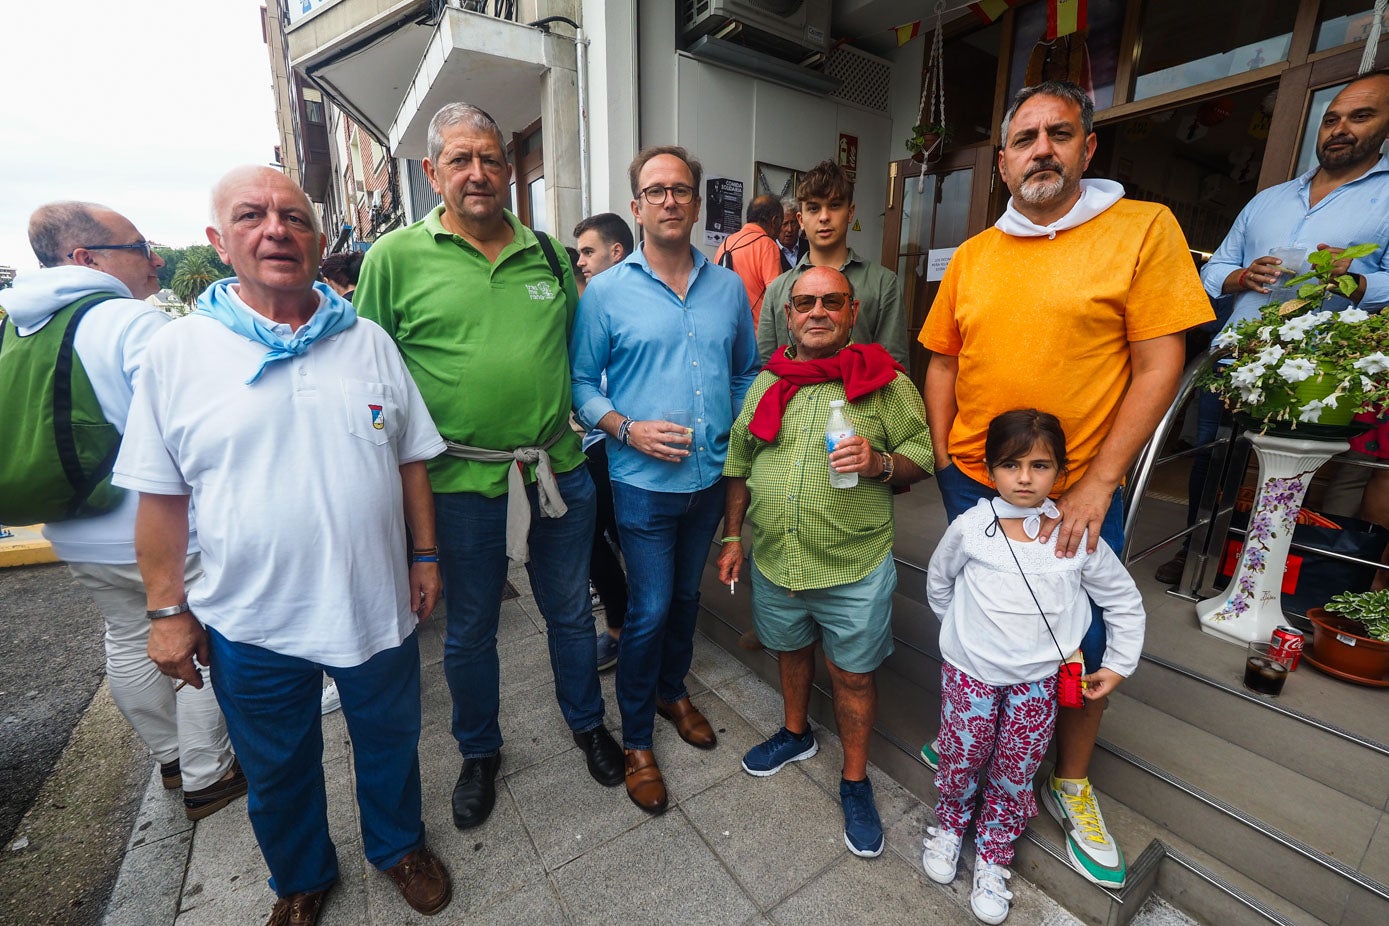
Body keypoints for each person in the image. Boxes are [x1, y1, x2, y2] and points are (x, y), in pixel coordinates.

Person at [113, 166, 452, 925]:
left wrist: (425, 558)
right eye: (252, 215)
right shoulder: (179, 354)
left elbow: (410, 461)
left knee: (391, 743)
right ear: (218, 241)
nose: (277, 230)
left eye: (294, 217)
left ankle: (397, 845)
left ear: (318, 237)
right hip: (251, 621)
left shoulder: (367, 340)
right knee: (275, 768)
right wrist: (167, 611)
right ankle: (300, 877)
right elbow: (160, 499)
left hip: (375, 602)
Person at [920, 80, 1212, 889]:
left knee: (1076, 640)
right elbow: (942, 360)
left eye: (1059, 132)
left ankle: (1069, 779)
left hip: (1078, 492)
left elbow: (1162, 360)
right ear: (1003, 161)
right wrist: (946, 456)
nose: (1040, 148)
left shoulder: (1141, 228)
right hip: (972, 483)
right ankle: (973, 728)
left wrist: (1102, 481)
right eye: (1023, 138)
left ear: (1088, 147)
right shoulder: (976, 253)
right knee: (984, 606)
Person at [355, 103, 624, 832]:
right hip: (457, 485)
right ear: (431, 170)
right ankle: (479, 752)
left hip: (556, 473)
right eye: (460, 160)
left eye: (491, 160)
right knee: (471, 627)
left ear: (508, 169)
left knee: (570, 611)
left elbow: (580, 352)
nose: (478, 174)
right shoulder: (393, 259)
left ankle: (586, 724)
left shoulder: (545, 254)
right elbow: (370, 376)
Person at [1, 203, 243, 821]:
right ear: (85, 258)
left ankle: (170, 759)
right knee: (205, 637)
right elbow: (201, 425)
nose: (155, 258)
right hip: (161, 531)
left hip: (74, 529)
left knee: (131, 639)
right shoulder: (133, 324)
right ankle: (208, 774)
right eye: (139, 245)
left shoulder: (19, 327)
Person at [717, 266, 933, 858]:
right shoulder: (767, 382)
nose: (816, 311)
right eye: (803, 302)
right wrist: (733, 538)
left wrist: (880, 464)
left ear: (851, 308)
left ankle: (855, 779)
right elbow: (738, 460)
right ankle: (796, 734)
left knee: (854, 675)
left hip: (854, 566)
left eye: (830, 301)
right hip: (778, 561)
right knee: (790, 651)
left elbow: (922, 454)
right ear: (787, 315)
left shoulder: (885, 381)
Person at [571, 145, 760, 813]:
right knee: (648, 609)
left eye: (680, 189)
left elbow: (745, 370)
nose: (670, 200)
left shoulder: (728, 287)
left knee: (685, 598)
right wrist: (626, 427)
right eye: (656, 191)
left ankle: (672, 689)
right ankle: (637, 740)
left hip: (708, 480)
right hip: (641, 481)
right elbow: (580, 385)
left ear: (696, 202)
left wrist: (733, 427)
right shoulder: (607, 293)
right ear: (637, 206)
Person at [1155, 70, 1389, 581]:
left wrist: (1354, 279)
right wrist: (1240, 275)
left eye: (1361, 116)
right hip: (1236, 358)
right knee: (1213, 461)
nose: (1340, 128)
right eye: (1332, 119)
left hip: (1317, 369)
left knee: (1286, 475)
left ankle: (1258, 574)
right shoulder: (1270, 199)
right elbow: (1212, 268)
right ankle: (1198, 549)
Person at [922, 410, 1144, 925]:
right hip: (969, 673)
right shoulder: (970, 528)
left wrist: (1118, 664)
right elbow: (940, 583)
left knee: (1016, 768)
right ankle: (952, 823)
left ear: (1061, 473)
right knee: (962, 753)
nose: (1025, 477)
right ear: (989, 469)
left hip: (1037, 683)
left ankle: (995, 852)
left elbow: (1124, 601)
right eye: (1011, 464)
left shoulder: (1075, 537)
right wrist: (960, 635)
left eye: (1040, 465)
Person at [759, 160, 909, 370]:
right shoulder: (778, 290)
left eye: (835, 206)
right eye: (813, 208)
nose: (824, 217)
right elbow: (766, 369)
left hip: (862, 401)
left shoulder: (882, 284)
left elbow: (895, 368)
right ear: (801, 219)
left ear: (850, 213)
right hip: (794, 401)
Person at [572, 212, 636, 671]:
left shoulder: (643, 301)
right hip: (600, 439)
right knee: (593, 535)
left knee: (603, 534)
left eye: (588, 252)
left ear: (617, 252)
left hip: (635, 443)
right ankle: (623, 617)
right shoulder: (591, 301)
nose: (581, 262)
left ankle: (622, 624)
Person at [713, 193, 786, 326]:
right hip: (757, 333)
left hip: (727, 327)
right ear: (775, 221)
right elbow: (776, 296)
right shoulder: (767, 245)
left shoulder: (725, 243)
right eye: (782, 223)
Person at [776, 196, 801, 268]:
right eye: (785, 224)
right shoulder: (770, 251)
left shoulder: (810, 248)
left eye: (793, 223)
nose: (789, 229)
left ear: (800, 223)